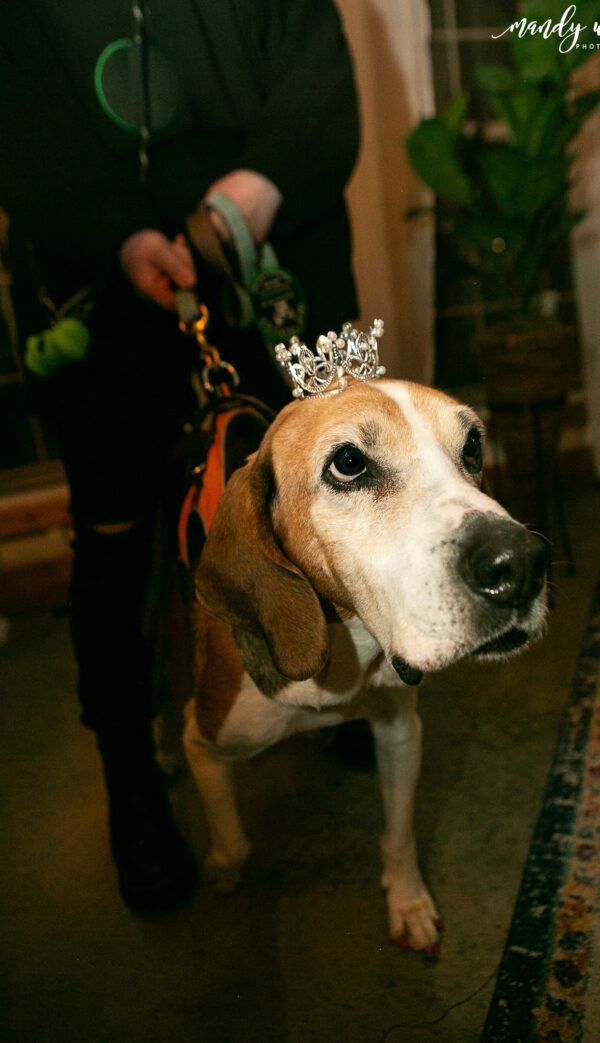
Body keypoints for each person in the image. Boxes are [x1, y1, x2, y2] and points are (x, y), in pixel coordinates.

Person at [0, 1, 359, 914]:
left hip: (278, 254)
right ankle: (128, 767)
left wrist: (250, 194)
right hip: (97, 281)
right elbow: (22, 115)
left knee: (329, 492)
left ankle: (340, 674)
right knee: (116, 541)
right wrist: (119, 231)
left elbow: (320, 83)